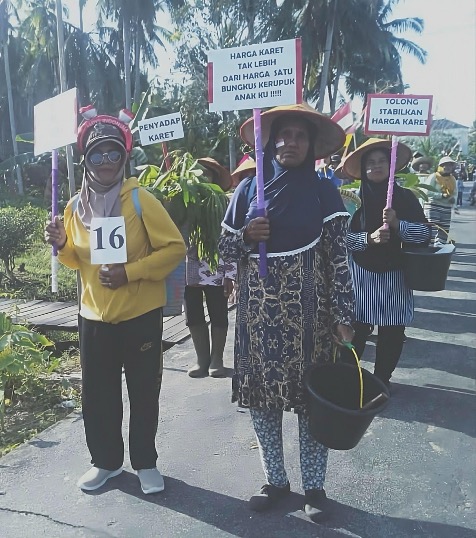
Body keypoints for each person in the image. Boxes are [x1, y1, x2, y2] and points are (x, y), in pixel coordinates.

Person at [218, 103, 355, 523]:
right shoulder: (248, 190)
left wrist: (343, 314)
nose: (289, 142)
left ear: (311, 145)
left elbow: (338, 259)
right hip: (257, 318)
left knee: (311, 402)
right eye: (282, 135)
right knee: (262, 402)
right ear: (269, 142)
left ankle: (314, 487)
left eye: (299, 135)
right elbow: (223, 254)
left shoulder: (323, 191)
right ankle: (275, 481)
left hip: (310, 319)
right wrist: (247, 235)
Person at [45, 108, 186, 494]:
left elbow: (175, 248)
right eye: (97, 154)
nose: (105, 161)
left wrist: (131, 272)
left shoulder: (140, 200)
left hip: (140, 314)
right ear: (85, 161)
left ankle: (145, 463)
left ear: (124, 158)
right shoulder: (74, 208)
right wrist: (62, 244)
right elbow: (76, 259)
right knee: (98, 395)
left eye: (113, 153)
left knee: (144, 391)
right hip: (93, 316)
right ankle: (106, 462)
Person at [341, 138, 430, 389]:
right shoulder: (352, 201)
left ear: (391, 167)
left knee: (392, 332)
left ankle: (382, 380)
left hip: (397, 275)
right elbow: (338, 239)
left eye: (382, 161)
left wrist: (398, 224)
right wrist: (368, 239)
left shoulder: (406, 198)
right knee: (356, 330)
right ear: (363, 168)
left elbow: (425, 234)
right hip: (360, 275)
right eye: (370, 162)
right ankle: (349, 380)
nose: (377, 166)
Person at [185, 157, 236, 378]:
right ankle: (202, 360)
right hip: (189, 268)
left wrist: (231, 274)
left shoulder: (223, 203)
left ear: (214, 178)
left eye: (207, 174)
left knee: (218, 313)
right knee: (193, 314)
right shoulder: (183, 201)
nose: (202, 177)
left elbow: (231, 238)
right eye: (198, 173)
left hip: (216, 268)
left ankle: (217, 359)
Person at [420, 156, 457, 245]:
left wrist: (453, 200)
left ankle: (440, 247)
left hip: (446, 207)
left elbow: (455, 193)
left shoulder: (452, 179)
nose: (447, 167)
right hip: (433, 206)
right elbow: (426, 191)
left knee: (444, 229)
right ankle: (428, 247)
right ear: (440, 166)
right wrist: (441, 195)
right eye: (445, 165)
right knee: (431, 228)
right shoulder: (434, 176)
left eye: (450, 165)